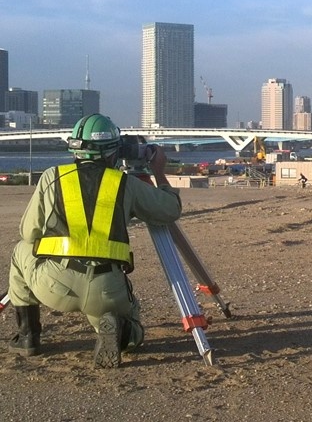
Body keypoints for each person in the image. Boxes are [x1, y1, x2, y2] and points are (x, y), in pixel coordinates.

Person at [7, 114, 182, 368]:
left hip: (55, 286)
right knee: (119, 320)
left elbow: (28, 233)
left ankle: (28, 337)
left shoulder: (51, 177)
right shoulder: (126, 184)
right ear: (114, 151)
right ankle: (121, 331)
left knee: (21, 250)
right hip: (106, 289)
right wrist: (158, 172)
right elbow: (171, 210)